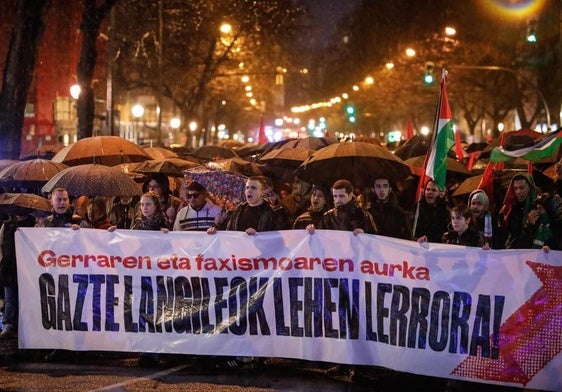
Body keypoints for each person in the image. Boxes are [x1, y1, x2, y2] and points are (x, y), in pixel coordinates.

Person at [207, 176, 278, 370]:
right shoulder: (238, 210)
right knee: (238, 310)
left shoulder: (270, 213)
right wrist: (217, 230)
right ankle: (240, 353)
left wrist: (259, 237)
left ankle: (254, 356)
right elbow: (229, 234)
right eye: (247, 188)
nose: (249, 191)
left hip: (259, 271)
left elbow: (277, 240)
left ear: (262, 191)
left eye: (253, 188)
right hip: (238, 270)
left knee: (256, 312)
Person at [0, 212, 36, 339]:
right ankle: (9, 325)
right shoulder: (7, 225)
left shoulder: (33, 223)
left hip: (27, 267)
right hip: (10, 267)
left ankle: (26, 326)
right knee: (10, 298)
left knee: (27, 298)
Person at [308, 179, 376, 236]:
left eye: (341, 196)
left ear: (350, 195)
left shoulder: (363, 215)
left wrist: (364, 234)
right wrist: (311, 232)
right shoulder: (328, 216)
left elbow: (376, 240)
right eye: (335, 196)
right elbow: (319, 239)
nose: (337, 200)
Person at [498, 173, 537, 249]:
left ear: (530, 187)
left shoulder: (538, 206)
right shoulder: (507, 209)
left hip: (534, 251)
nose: (518, 191)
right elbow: (501, 234)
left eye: (522, 188)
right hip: (513, 251)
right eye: (515, 188)